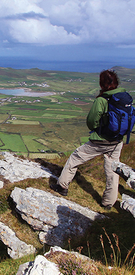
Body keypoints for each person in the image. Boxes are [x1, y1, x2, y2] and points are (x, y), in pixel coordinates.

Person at [50, 69, 126, 210]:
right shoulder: (124, 97)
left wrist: (99, 128)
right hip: (117, 141)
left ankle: (62, 186)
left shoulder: (102, 100)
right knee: (112, 170)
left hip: (101, 140)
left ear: (102, 84)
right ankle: (108, 203)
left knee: (74, 158)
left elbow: (91, 122)